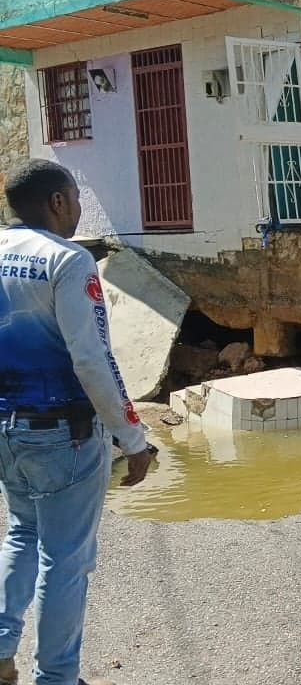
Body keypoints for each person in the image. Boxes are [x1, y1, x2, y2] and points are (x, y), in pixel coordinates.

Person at [0, 159, 153, 685]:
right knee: (65, 559)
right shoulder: (68, 260)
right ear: (58, 202)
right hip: (62, 433)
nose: (79, 210)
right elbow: (91, 359)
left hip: (5, 428)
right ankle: (57, 676)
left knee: (22, 532)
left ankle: (1, 649)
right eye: (77, 199)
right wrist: (133, 438)